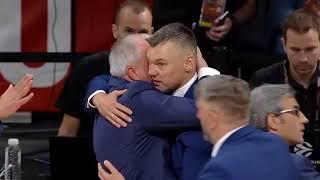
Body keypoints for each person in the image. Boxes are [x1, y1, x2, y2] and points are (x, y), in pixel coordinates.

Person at [96, 75, 299, 180]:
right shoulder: (274, 144)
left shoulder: (220, 170)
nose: (197, 115)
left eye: (199, 109)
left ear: (213, 115)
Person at [86, 23, 220, 180]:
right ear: (132, 72)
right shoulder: (139, 97)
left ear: (188, 63)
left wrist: (96, 95)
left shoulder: (113, 94)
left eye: (160, 63)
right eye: (149, 62)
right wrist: (206, 73)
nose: (152, 71)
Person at [56, 0, 153, 137]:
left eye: (143, 32)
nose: (135, 39)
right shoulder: (87, 68)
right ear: (115, 31)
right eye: (129, 32)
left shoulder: (160, 69)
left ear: (152, 33)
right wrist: (97, 97)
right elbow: (68, 130)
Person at [250, 9, 320, 166]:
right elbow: (254, 134)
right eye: (295, 50)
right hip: (278, 164)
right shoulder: (264, 80)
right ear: (284, 45)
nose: (303, 58)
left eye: (310, 49)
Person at [250, 84, 320, 180]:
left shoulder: (233, 160)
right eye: (295, 111)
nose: (305, 119)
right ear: (274, 121)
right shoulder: (295, 164)